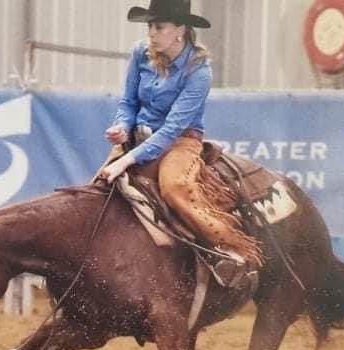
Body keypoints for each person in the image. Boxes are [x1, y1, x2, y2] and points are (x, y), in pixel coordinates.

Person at [99, 0, 263, 286]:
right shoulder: (140, 53)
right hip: (139, 137)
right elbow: (128, 103)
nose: (151, 33)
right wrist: (122, 127)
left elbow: (172, 129)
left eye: (159, 27)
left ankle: (230, 250)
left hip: (180, 141)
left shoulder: (198, 71)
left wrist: (126, 159)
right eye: (150, 26)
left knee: (175, 188)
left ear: (180, 30)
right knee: (97, 189)